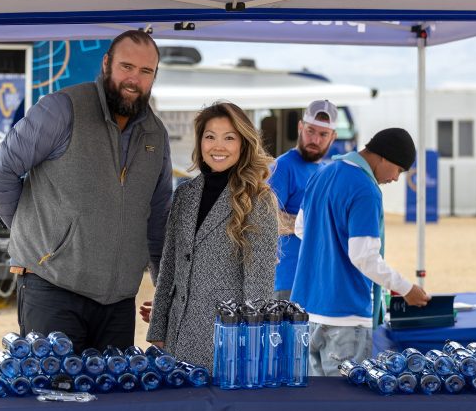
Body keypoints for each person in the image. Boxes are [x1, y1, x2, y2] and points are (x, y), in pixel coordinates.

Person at [0, 30, 172, 351]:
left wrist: (164, 292)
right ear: (106, 63)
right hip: (52, 288)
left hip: (119, 301)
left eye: (145, 71)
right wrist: (38, 236)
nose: (134, 79)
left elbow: (157, 219)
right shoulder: (61, 109)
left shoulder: (156, 133)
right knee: (54, 395)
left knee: (112, 399)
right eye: (126, 67)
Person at [144, 102, 278, 369]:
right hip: (177, 338)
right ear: (200, 142)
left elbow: (259, 284)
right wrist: (157, 332)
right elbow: (170, 267)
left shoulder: (258, 200)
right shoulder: (184, 195)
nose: (218, 146)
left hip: (226, 344)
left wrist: (250, 349)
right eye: (210, 136)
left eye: (229, 138)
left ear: (243, 144)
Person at [290, 128, 430, 376]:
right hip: (346, 313)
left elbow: (301, 227)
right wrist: (407, 289)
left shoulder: (322, 173)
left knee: (312, 404)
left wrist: (329, 251)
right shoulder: (365, 188)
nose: (396, 178)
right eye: (398, 169)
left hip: (307, 310)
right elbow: (364, 256)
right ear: (384, 157)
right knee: (344, 407)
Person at [268, 99, 337, 300]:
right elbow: (266, 219)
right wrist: (317, 226)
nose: (315, 139)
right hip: (288, 280)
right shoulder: (283, 167)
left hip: (318, 279)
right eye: (310, 131)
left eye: (323, 134)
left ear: (333, 137)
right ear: (300, 127)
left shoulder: (325, 171)